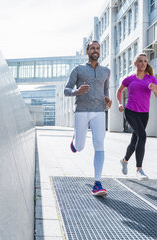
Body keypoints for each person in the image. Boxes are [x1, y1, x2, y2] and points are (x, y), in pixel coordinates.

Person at [64, 40, 112, 196]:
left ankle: (97, 183)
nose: (95, 50)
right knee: (80, 147)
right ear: (87, 51)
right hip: (82, 111)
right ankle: (75, 140)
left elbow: (105, 90)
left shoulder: (106, 71)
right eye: (92, 48)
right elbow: (66, 90)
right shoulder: (78, 69)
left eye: (97, 48)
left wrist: (107, 99)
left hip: (99, 111)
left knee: (99, 143)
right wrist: (77, 91)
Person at [116, 53, 157, 180]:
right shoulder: (129, 79)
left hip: (144, 114)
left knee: (135, 141)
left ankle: (125, 160)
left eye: (145, 61)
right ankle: (139, 170)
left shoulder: (151, 79)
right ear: (135, 63)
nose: (143, 63)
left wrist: (155, 89)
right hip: (130, 112)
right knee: (142, 136)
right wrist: (120, 103)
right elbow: (119, 91)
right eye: (140, 61)